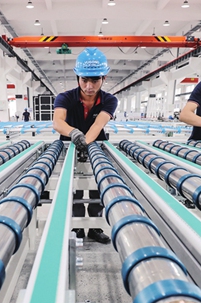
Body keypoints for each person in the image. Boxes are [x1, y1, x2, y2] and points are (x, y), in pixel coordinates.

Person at [53, 47, 118, 244]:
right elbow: (58, 122)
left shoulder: (110, 100)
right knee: (76, 186)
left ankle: (95, 227)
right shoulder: (65, 97)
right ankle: (78, 225)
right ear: (77, 78)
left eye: (95, 80)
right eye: (84, 80)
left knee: (98, 184)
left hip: (96, 144)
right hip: (69, 145)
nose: (89, 85)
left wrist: (86, 141)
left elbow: (99, 124)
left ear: (104, 78)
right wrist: (73, 133)